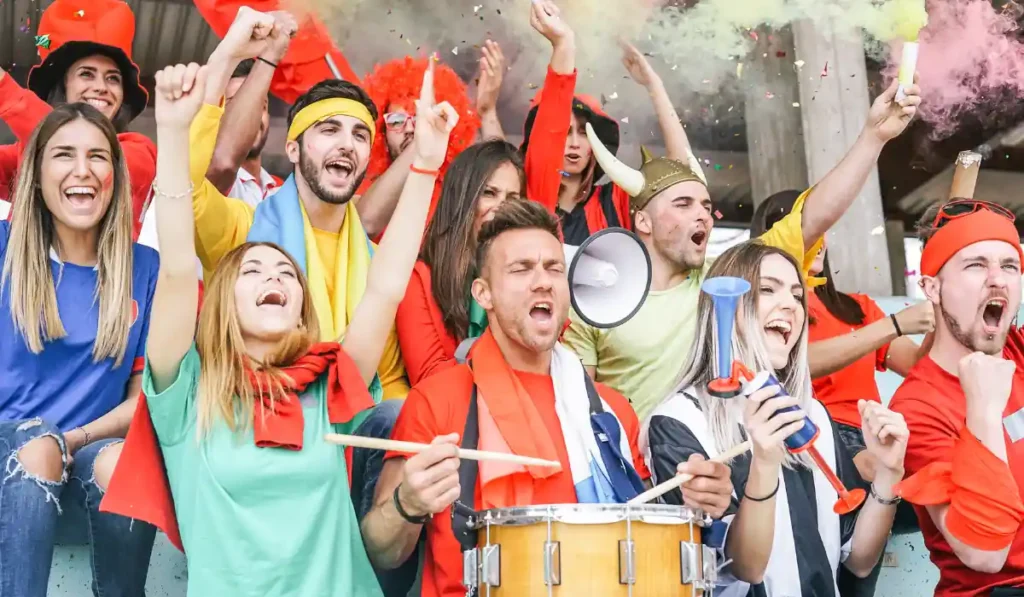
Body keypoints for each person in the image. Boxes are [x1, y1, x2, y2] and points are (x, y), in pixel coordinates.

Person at [102, 42, 457, 595]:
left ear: (300, 308)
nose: (274, 277)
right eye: (253, 271)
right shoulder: (187, 396)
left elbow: (385, 287)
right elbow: (175, 268)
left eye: (288, 275)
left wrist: (426, 163)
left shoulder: (329, 389)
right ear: (222, 301)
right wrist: (171, 133)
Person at [364, 200, 696, 597]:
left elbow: (643, 548)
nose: (543, 281)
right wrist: (407, 504)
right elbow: (381, 552)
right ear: (483, 294)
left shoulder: (611, 412)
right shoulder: (435, 401)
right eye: (521, 269)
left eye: (554, 268)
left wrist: (692, 501)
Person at [562, 77, 923, 421]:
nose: (703, 215)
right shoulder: (596, 302)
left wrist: (873, 138)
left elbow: (813, 217)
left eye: (706, 206)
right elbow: (583, 410)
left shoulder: (728, 278)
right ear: (643, 222)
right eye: (684, 204)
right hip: (639, 478)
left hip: (721, 474)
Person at [643, 241, 909, 597]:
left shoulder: (811, 413)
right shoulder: (678, 420)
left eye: (797, 296)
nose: (790, 305)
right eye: (767, 289)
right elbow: (745, 568)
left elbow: (858, 559)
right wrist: (764, 462)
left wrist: (890, 473)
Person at [184, 7, 409, 399]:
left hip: (351, 439)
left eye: (359, 135)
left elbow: (388, 385)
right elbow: (185, 190)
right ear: (292, 148)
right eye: (329, 129)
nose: (346, 144)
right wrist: (227, 57)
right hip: (251, 426)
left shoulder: (376, 262)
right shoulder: (244, 231)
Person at [0, 103, 158, 596]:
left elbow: (143, 400)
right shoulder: (3, 246)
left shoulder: (143, 267)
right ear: (38, 173)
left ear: (116, 173)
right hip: (10, 454)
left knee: (124, 464)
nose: (82, 170)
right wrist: (48, 444)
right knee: (38, 444)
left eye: (98, 156)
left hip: (84, 453)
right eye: (63, 155)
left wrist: (75, 439)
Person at [751, 190, 934, 482]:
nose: (819, 241)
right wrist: (893, 325)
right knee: (883, 472)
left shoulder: (857, 308)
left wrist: (942, 304)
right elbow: (795, 363)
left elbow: (917, 366)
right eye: (806, 229)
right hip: (814, 432)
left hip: (874, 430)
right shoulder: (765, 309)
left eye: (823, 230)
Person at [890, 200, 1024, 596]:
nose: (997, 279)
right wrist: (982, 411)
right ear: (932, 287)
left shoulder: (1017, 349)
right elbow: (985, 553)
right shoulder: (916, 408)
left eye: (1010, 266)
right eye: (976, 265)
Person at [522, 1, 693, 245]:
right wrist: (564, 45)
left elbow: (681, 175)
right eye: (563, 132)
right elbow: (548, 130)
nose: (573, 143)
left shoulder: (615, 200)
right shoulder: (526, 198)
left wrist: (654, 86)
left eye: (583, 133)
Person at [0, 0, 154, 239]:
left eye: (113, 79)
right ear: (63, 86)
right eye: (86, 74)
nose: (101, 87)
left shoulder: (139, 151)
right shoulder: (27, 151)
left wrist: (4, 90)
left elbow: (75, 142)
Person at [395, 138, 524, 385]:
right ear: (462, 200)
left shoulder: (530, 276)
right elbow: (429, 380)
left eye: (513, 198)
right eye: (489, 193)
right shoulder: (419, 278)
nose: (502, 208)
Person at [356, 51, 499, 238]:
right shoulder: (359, 184)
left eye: (418, 119)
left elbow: (508, 188)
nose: (409, 129)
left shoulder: (459, 191)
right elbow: (365, 224)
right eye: (397, 121)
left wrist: (488, 113)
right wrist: (422, 138)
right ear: (382, 131)